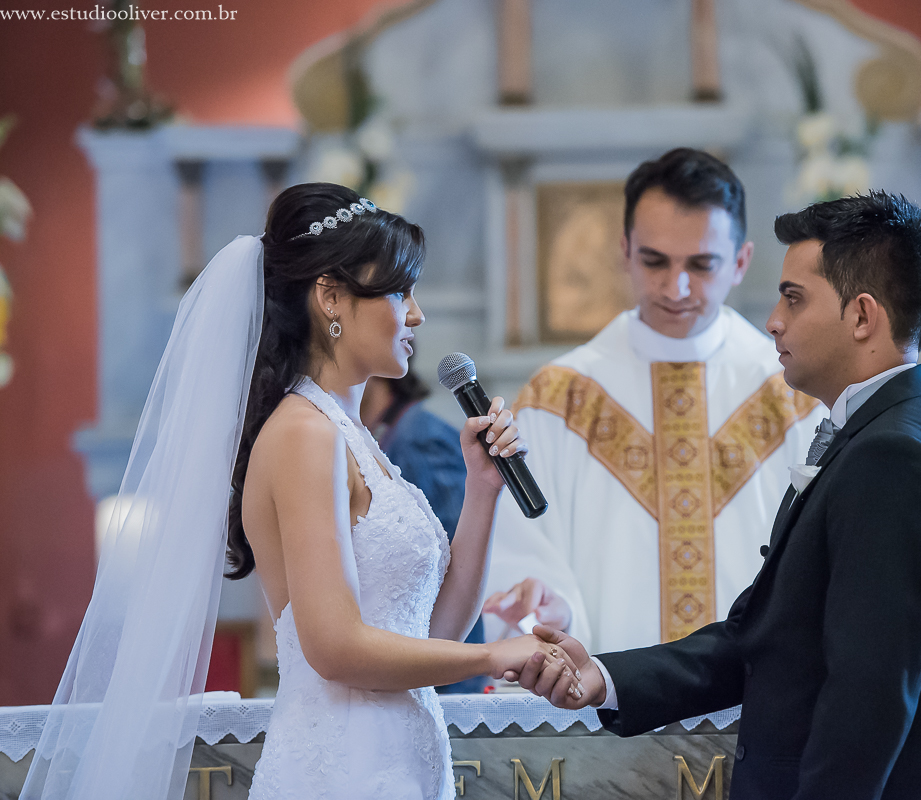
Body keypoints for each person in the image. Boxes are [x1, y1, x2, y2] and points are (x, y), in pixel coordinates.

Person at [21, 183, 581, 800]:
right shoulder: (303, 435)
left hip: (402, 762)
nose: (416, 314)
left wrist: (483, 490)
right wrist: (492, 658)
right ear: (331, 295)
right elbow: (335, 648)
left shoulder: (352, 436)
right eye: (399, 291)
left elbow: (435, 632)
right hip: (340, 769)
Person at [524, 192, 921, 799]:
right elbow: (762, 638)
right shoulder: (901, 431)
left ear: (862, 316)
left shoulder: (891, 457)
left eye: (794, 298)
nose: (773, 319)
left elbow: (866, 705)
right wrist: (605, 675)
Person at [483, 148, 825, 653]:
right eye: (654, 261)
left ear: (740, 262)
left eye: (702, 264)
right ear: (624, 251)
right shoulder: (560, 397)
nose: (676, 287)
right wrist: (552, 611)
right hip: (609, 708)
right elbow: (526, 558)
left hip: (761, 701)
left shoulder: (795, 391)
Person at [361, 371, 487, 693]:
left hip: (440, 677)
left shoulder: (419, 437)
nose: (415, 317)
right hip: (399, 667)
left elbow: (452, 567)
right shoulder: (378, 434)